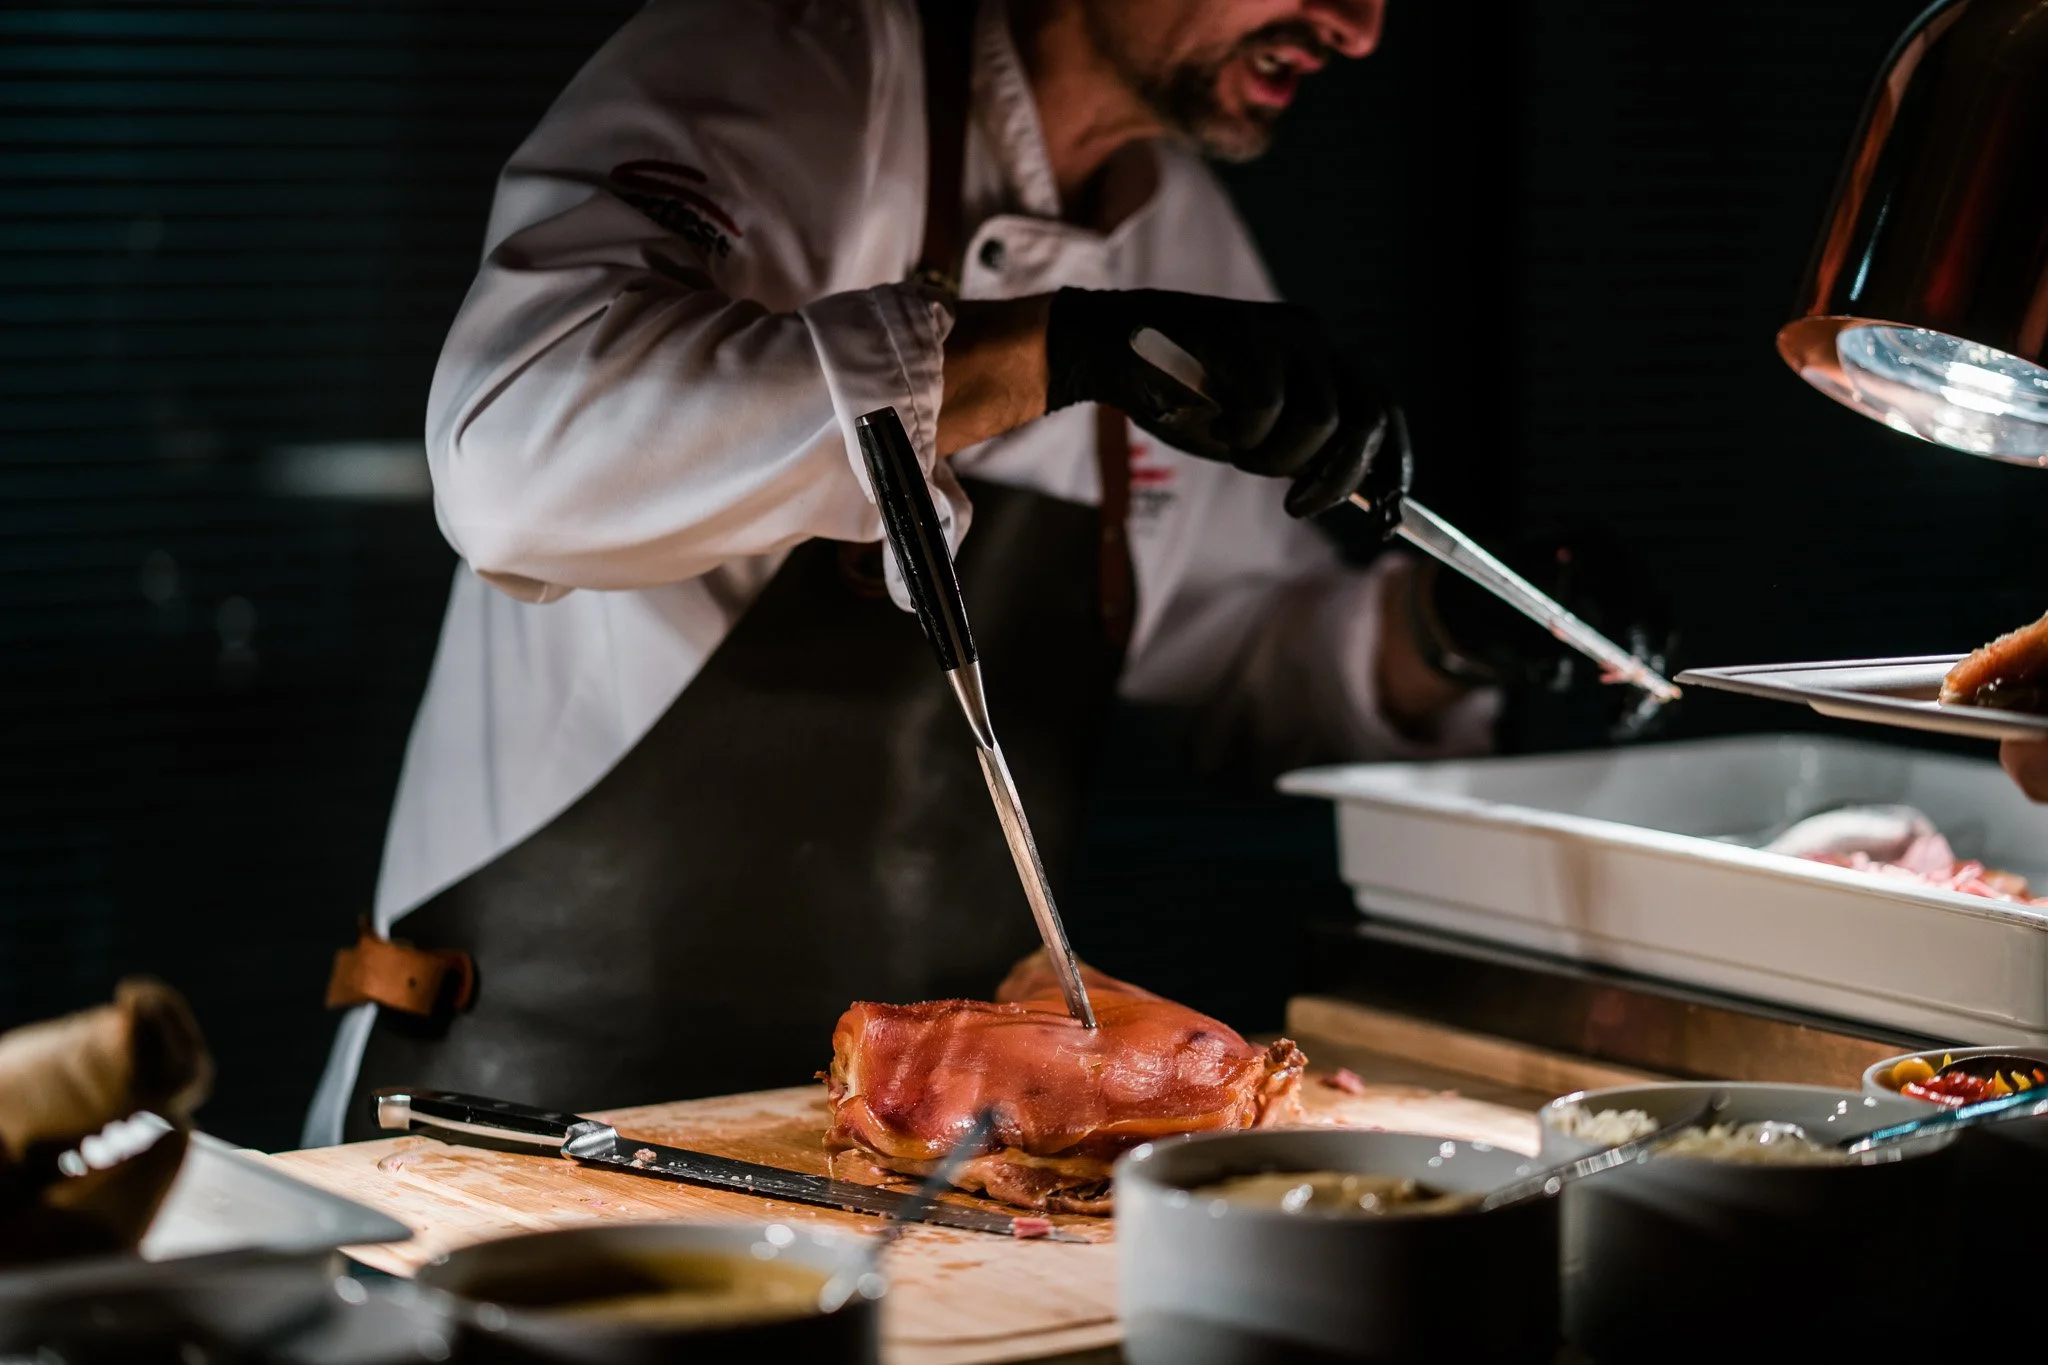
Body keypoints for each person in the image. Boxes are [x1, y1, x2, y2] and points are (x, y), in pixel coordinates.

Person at [304, 0, 1642, 1145]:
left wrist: (1440, 633)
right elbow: (517, 461)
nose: (1360, 26)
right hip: (529, 1119)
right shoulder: (781, 59)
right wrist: (1047, 352)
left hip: (913, 1158)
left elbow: (1237, 641)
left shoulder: (1176, 232)